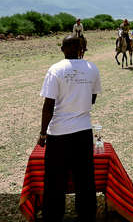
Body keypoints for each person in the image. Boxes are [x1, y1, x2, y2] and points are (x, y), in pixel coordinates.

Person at [37, 35, 101, 222]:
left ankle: (53, 216)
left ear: (63, 49)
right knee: (85, 177)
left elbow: (48, 105)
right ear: (81, 49)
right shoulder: (92, 68)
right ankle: (87, 214)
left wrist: (42, 133)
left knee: (55, 178)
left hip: (59, 134)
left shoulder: (55, 69)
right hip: (83, 131)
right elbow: (93, 99)